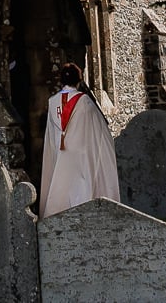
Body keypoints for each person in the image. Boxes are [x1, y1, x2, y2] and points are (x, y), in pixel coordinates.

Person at [38, 61, 119, 216]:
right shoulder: (85, 102)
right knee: (80, 187)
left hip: (59, 152)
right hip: (80, 155)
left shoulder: (52, 102)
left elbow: (50, 134)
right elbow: (99, 130)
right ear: (79, 80)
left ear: (61, 80)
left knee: (60, 184)